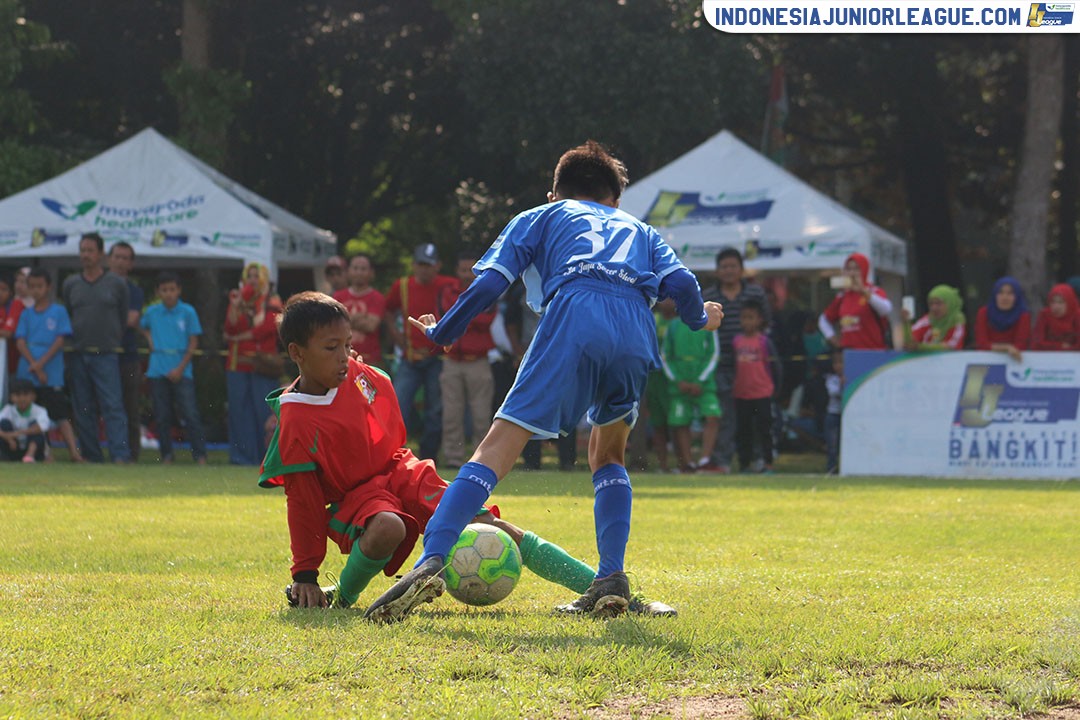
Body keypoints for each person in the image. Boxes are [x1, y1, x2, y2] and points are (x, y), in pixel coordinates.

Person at [364, 140, 724, 623]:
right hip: (635, 329)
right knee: (608, 454)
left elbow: (491, 285)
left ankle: (433, 557)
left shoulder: (541, 215)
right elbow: (683, 287)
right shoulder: (641, 229)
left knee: (495, 448)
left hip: (576, 312)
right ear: (614, 198)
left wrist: (442, 332)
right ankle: (611, 578)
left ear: (556, 192)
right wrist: (703, 321)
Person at [261, 292, 675, 617]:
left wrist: (431, 337)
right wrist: (306, 574)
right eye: (332, 348)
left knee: (494, 529)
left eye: (348, 345)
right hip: (360, 496)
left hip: (401, 470)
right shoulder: (295, 421)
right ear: (297, 353)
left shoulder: (355, 372)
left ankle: (615, 594)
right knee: (388, 527)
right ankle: (341, 599)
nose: (345, 357)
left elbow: (375, 396)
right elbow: (302, 500)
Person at [383, 243, 458, 462]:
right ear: (414, 265)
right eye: (420, 264)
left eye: (429, 265)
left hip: (437, 358)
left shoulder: (449, 285)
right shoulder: (402, 286)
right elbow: (388, 312)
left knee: (435, 410)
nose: (424, 269)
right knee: (398, 404)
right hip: (410, 357)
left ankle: (428, 457)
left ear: (438, 266)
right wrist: (399, 340)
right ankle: (395, 456)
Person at [61, 233, 131, 463]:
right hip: (78, 354)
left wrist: (111, 340)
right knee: (83, 407)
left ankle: (119, 455)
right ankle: (91, 455)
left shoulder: (117, 283)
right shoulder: (71, 283)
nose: (85, 255)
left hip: (106, 354)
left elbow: (122, 318)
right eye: (82, 250)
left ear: (101, 254)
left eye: (90, 251)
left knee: (112, 406)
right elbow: (68, 316)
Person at [702, 247, 768, 474]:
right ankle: (723, 461)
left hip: (751, 367)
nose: (728, 271)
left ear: (741, 269)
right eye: (724, 266)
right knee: (724, 416)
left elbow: (766, 326)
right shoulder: (709, 297)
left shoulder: (755, 294)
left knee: (754, 416)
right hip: (720, 366)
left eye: (733, 266)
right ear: (717, 271)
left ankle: (756, 460)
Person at [14, 268, 82, 462]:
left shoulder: (58, 311)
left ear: (48, 287)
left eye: (39, 286)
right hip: (28, 372)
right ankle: (45, 453)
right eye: (32, 286)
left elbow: (60, 340)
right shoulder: (26, 314)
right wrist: (34, 365)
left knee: (59, 414)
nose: (36, 290)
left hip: (52, 372)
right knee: (33, 415)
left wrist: (41, 365)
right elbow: (20, 342)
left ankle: (74, 453)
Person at [141, 272, 207, 465]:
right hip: (157, 371)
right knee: (162, 416)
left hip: (182, 372)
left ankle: (200, 456)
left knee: (190, 414)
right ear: (158, 292)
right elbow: (141, 325)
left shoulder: (188, 312)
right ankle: (167, 456)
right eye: (164, 290)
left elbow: (193, 342)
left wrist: (180, 368)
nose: (168, 293)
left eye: (172, 289)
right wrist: (149, 338)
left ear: (178, 290)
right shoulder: (152, 312)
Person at [437, 251, 496, 469]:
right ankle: (453, 458)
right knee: (451, 414)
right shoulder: (447, 291)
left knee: (482, 415)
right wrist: (468, 316)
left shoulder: (488, 290)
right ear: (456, 271)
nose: (467, 275)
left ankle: (483, 460)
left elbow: (486, 320)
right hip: (452, 360)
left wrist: (460, 317)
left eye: (471, 271)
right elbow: (446, 317)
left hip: (478, 360)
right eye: (463, 270)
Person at [224, 262, 281, 465]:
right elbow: (229, 328)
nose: (253, 280)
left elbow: (265, 329)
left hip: (262, 365)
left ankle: (267, 458)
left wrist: (238, 338)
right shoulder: (238, 300)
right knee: (239, 411)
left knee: (264, 412)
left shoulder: (272, 301)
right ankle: (241, 458)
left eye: (257, 276)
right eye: (250, 276)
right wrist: (236, 304)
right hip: (237, 365)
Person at [659, 301, 721, 473]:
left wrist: (700, 380)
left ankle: (705, 459)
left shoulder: (707, 323)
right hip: (679, 384)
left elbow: (714, 353)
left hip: (704, 383)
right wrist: (678, 380)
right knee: (680, 422)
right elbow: (665, 355)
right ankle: (688, 463)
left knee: (712, 416)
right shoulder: (673, 326)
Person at [733, 299, 782, 474]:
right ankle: (744, 464)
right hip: (742, 394)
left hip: (763, 393)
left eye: (751, 318)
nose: (747, 322)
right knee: (744, 431)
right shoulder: (737, 341)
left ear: (760, 320)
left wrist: (776, 390)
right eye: (744, 318)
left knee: (765, 431)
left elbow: (776, 368)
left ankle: (768, 463)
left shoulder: (764, 342)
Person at [108, 241, 146, 461]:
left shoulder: (135, 291)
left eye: (125, 258)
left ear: (131, 263)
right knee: (100, 408)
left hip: (128, 357)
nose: (120, 261)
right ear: (108, 259)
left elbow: (132, 320)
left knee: (130, 409)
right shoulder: (99, 285)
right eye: (117, 257)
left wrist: (105, 321)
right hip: (102, 355)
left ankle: (131, 456)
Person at [818, 252, 893, 351]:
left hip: (873, 352)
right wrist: (833, 339)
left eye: (857, 269)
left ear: (864, 270)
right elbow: (823, 320)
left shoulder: (874, 291)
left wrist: (863, 291)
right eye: (849, 269)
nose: (852, 273)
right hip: (849, 355)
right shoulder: (842, 296)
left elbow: (886, 310)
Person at [332, 253, 385, 369]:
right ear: (348, 271)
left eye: (363, 269)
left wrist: (344, 318)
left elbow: (371, 326)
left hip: (370, 360)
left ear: (371, 273)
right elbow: (332, 325)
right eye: (355, 268)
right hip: (342, 359)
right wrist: (360, 317)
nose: (359, 272)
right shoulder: (338, 296)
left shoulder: (377, 298)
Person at [973, 276, 1030, 361]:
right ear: (995, 294)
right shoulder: (983, 313)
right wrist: (1006, 347)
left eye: (1010, 293)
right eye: (1000, 292)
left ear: (1017, 296)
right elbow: (981, 344)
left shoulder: (1023, 315)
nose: (1005, 297)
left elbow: (1021, 345)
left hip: (1014, 362)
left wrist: (995, 347)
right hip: (986, 361)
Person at [903, 285, 966, 351]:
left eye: (938, 303)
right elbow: (910, 341)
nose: (934, 308)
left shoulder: (957, 320)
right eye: (931, 304)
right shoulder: (928, 319)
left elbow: (951, 346)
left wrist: (920, 347)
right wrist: (906, 323)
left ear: (949, 303)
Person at [0, 378, 50, 462]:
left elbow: (42, 427)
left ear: (33, 396)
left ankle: (29, 455)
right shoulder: (8, 409)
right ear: (11, 397)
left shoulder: (40, 410)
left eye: (26, 394)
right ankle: (7, 457)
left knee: (36, 428)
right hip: (13, 445)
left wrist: (17, 433)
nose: (22, 398)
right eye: (18, 395)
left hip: (33, 447)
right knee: (4, 423)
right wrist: (8, 438)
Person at [1032, 283, 1080, 351]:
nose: (1056, 307)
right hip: (1047, 359)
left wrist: (1049, 345)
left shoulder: (1077, 315)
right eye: (1053, 302)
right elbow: (1036, 344)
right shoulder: (1044, 315)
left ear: (1070, 302)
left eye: (1061, 302)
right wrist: (1060, 345)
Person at [823, 349, 843, 475]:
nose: (838, 366)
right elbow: (834, 393)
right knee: (832, 445)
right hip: (833, 415)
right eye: (836, 363)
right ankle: (831, 469)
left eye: (841, 362)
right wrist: (841, 385)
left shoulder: (852, 377)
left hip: (847, 416)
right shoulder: (831, 379)